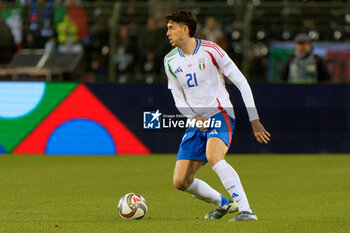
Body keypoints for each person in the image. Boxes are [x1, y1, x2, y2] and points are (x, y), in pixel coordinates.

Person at [163, 10, 271, 221]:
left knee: (214, 157)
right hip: (196, 121)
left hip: (220, 113)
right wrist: (193, 119)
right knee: (180, 182)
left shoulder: (211, 50)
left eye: (171, 27)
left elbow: (241, 82)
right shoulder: (169, 61)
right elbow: (178, 98)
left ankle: (246, 211)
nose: (167, 32)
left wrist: (254, 119)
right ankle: (223, 203)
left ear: (185, 29)